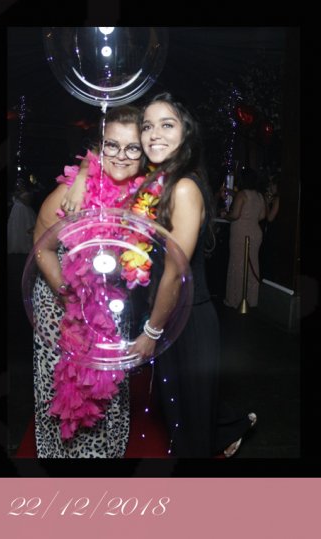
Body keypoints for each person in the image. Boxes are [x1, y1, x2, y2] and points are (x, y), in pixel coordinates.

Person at [127, 93, 256, 457]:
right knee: (183, 413)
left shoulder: (183, 188)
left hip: (188, 319)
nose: (154, 134)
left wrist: (151, 332)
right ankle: (230, 428)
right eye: (147, 126)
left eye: (166, 125)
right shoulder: (157, 185)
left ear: (186, 134)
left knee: (188, 427)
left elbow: (174, 272)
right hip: (169, 313)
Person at [31, 105, 145, 457]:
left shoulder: (144, 198)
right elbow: (41, 249)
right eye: (112, 145)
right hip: (62, 310)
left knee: (107, 391)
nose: (122, 156)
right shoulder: (70, 197)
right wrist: (69, 297)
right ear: (99, 147)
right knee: (70, 396)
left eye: (132, 148)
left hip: (111, 308)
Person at [223, 168, 266, 308]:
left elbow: (235, 215)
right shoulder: (259, 196)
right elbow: (262, 216)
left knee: (237, 263)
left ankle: (235, 299)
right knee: (253, 263)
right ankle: (251, 299)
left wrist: (225, 215)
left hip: (241, 232)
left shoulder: (242, 194)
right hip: (255, 232)